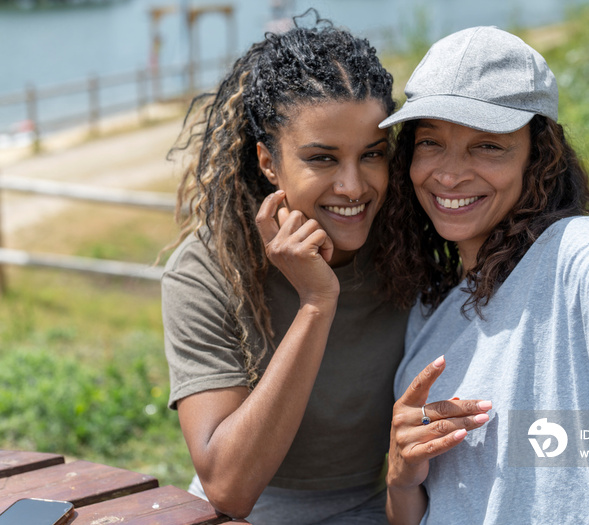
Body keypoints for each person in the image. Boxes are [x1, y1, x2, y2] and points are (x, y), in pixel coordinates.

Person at [377, 26, 589, 524]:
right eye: (431, 142)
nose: (448, 173)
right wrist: (402, 475)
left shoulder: (579, 251)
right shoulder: (431, 309)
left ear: (539, 157)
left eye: (488, 146)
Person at [161, 11, 428, 523]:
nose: (353, 186)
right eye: (322, 159)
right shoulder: (205, 271)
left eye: (372, 154)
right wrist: (316, 302)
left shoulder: (414, 243)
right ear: (267, 162)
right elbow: (229, 489)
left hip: (380, 505)